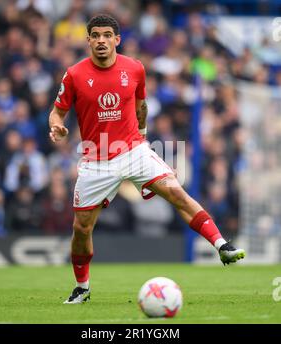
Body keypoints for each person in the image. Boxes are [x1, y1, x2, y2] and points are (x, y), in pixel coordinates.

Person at [48, 14, 245, 304]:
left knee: (175, 191)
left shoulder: (135, 69)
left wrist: (141, 132)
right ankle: (82, 287)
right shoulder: (74, 74)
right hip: (96, 159)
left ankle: (222, 244)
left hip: (133, 150)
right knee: (81, 227)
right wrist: (56, 125)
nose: (101, 40)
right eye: (95, 35)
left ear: (117, 39)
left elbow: (141, 104)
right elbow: (57, 111)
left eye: (107, 35)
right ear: (88, 39)